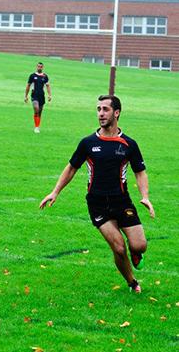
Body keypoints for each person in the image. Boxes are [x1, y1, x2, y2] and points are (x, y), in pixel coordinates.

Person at [39, 95, 155, 293]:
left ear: (116, 113)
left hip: (122, 201)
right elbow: (71, 168)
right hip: (97, 203)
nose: (100, 113)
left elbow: (140, 172)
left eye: (105, 109)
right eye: (98, 109)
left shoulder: (129, 144)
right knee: (118, 248)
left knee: (140, 245)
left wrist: (145, 196)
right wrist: (55, 191)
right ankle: (132, 282)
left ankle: (136, 254)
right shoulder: (88, 143)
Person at [24, 62, 52, 133]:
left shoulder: (45, 76)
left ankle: (38, 126)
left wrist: (49, 95)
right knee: (36, 109)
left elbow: (48, 86)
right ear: (36, 67)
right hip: (34, 95)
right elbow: (28, 86)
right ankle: (36, 127)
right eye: (38, 66)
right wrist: (26, 96)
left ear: (43, 67)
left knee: (39, 112)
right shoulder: (32, 76)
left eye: (41, 67)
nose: (39, 68)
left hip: (42, 96)